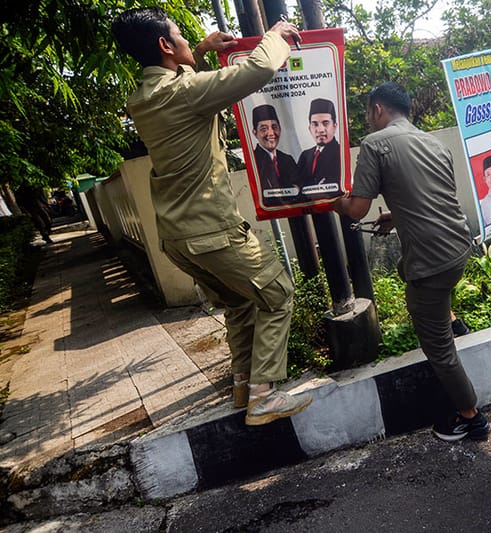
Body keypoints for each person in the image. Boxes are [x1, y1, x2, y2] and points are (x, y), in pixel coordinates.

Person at [111, 8, 311, 426]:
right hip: (211, 228)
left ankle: (242, 387)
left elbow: (182, 88)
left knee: (239, 302)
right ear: (165, 45)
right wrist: (274, 35)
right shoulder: (184, 93)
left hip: (177, 237)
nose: (188, 40)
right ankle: (263, 396)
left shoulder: (143, 99)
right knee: (278, 294)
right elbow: (257, 71)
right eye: (180, 35)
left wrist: (199, 50)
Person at [334, 82, 491, 442]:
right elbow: (433, 197)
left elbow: (356, 209)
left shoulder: (375, 144)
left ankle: (470, 417)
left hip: (431, 260)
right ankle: (452, 320)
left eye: (368, 113)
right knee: (413, 277)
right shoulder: (434, 143)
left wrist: (331, 200)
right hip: (459, 245)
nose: (368, 120)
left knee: (437, 346)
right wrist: (395, 216)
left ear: (377, 109)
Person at [251, 104, 299, 205]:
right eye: (264, 129)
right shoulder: (253, 161)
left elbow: (299, 187)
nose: (271, 133)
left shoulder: (287, 159)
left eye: (274, 127)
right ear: (255, 133)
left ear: (280, 129)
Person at [297, 98, 341, 190]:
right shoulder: (305, 155)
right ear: (310, 128)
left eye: (325, 123)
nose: (320, 130)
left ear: (334, 126)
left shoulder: (341, 153)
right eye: (315, 124)